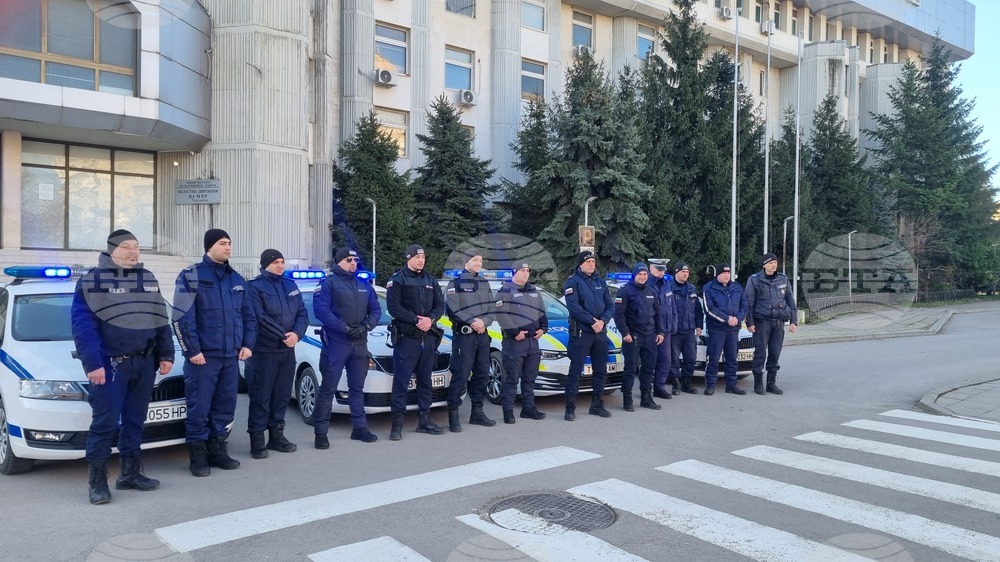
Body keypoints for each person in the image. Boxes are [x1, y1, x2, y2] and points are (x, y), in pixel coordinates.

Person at [71, 229, 175, 505]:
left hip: (144, 362)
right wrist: (93, 364)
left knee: (135, 421)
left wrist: (167, 354)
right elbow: (84, 327)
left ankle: (130, 474)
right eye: (126, 246)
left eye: (137, 246)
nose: (133, 251)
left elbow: (160, 318)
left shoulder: (147, 278)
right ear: (111, 250)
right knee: (104, 424)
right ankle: (97, 482)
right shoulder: (93, 280)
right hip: (110, 365)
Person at [173, 228, 257, 476]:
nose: (228, 247)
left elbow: (249, 316)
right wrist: (192, 350)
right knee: (199, 407)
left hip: (230, 356)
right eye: (223, 243)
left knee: (225, 405)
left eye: (230, 243)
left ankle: (218, 450)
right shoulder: (191, 275)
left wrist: (248, 344)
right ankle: (198, 456)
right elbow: (181, 317)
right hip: (203, 357)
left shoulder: (237, 280)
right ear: (209, 247)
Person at [312, 247, 382, 447]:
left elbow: (375, 309)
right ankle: (321, 433)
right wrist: (344, 328)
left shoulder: (364, 285)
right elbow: (321, 311)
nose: (354, 263)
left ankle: (359, 429)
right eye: (349, 260)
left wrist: (366, 326)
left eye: (356, 260)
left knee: (357, 388)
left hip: (360, 343)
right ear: (339, 261)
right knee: (328, 388)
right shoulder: (328, 284)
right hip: (336, 343)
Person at [245, 249, 308, 458]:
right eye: (275, 262)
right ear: (265, 265)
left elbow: (302, 313)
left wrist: (297, 334)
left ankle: (276, 436)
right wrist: (284, 335)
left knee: (281, 395)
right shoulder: (254, 287)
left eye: (282, 261)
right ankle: (257, 440)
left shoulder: (290, 285)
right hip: (264, 351)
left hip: (286, 351)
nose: (280, 265)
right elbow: (259, 317)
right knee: (261, 396)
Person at [385, 244, 446, 440]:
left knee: (425, 380)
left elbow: (439, 305)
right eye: (417, 258)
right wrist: (416, 320)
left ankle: (424, 421)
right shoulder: (398, 279)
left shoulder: (430, 279)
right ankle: (397, 426)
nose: (421, 261)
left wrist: (431, 320)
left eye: (423, 258)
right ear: (409, 258)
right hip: (407, 339)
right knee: (401, 382)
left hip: (427, 338)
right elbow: (393, 307)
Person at [445, 254, 496, 432]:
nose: (479, 264)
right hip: (464, 336)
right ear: (466, 262)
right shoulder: (455, 283)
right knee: (461, 373)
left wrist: (484, 322)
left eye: (481, 261)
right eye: (475, 260)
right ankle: (453, 415)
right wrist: (473, 322)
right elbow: (453, 310)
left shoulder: (484, 283)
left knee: (482, 373)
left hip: (482, 336)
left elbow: (492, 308)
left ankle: (477, 412)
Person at [563, 250, 615, 420]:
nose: (591, 264)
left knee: (600, 371)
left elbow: (610, 304)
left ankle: (597, 405)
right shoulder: (573, 282)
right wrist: (592, 322)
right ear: (580, 264)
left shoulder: (600, 282)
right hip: (582, 332)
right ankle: (570, 408)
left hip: (600, 332)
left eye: (593, 262)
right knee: (576, 371)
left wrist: (603, 321)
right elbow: (574, 307)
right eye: (588, 262)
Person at [494, 263, 548, 423]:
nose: (526, 274)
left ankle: (528, 409)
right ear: (514, 273)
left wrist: (543, 329)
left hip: (533, 342)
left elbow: (542, 313)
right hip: (515, 343)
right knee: (512, 378)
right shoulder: (505, 291)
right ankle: (508, 411)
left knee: (530, 378)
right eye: (522, 271)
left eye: (527, 271)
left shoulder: (534, 291)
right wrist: (515, 332)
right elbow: (501, 315)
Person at [613, 262, 664, 411]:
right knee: (630, 369)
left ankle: (646, 398)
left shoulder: (651, 291)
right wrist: (625, 333)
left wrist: (660, 332)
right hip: (633, 337)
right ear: (635, 275)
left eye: (644, 274)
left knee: (648, 368)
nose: (642, 277)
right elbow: (619, 315)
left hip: (650, 336)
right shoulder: (625, 291)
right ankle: (627, 400)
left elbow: (658, 314)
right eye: (640, 274)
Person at [744, 252, 797, 395]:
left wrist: (794, 321)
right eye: (770, 263)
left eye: (775, 262)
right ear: (764, 265)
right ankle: (758, 383)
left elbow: (790, 300)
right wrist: (750, 322)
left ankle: (771, 383)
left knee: (775, 353)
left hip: (779, 322)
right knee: (760, 353)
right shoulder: (754, 280)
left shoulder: (783, 279)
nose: (773, 265)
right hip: (762, 322)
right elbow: (749, 303)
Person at [701, 263, 748, 396]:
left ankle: (731, 385)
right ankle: (710, 385)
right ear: (718, 275)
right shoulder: (708, 288)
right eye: (724, 273)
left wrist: (737, 318)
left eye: (728, 273)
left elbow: (744, 306)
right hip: (717, 329)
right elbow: (709, 309)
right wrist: (726, 318)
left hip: (733, 329)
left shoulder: (737, 287)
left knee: (732, 358)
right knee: (713, 358)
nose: (726, 275)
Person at [668, 262, 703, 395]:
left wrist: (699, 325)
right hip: (674, 331)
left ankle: (686, 383)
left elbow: (697, 309)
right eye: (683, 272)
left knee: (691, 359)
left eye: (687, 272)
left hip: (689, 330)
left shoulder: (691, 289)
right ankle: (675, 384)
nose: (685, 274)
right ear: (676, 273)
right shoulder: (669, 288)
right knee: (674, 359)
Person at [647, 259, 677, 398]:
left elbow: (672, 307)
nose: (661, 272)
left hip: (665, 330)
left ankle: (659, 387)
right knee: (649, 360)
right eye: (659, 269)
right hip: (650, 329)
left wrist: (673, 325)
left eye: (663, 270)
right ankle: (646, 389)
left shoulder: (667, 284)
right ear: (651, 269)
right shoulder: (646, 284)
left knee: (665, 360)